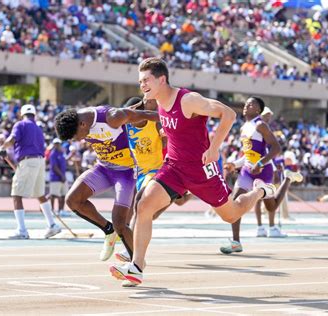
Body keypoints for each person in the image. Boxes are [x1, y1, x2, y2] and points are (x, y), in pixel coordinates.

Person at [109, 57, 276, 286]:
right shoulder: (158, 103)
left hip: (201, 170)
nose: (142, 85)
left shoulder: (188, 100)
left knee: (231, 214)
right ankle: (137, 266)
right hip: (175, 168)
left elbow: (228, 114)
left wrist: (214, 148)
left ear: (162, 79)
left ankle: (260, 192)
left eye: (146, 80)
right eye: (140, 81)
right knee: (144, 204)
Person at [54, 104, 159, 262]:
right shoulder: (80, 122)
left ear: (82, 124)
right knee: (72, 200)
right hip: (103, 169)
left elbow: (146, 114)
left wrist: (176, 118)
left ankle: (136, 264)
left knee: (120, 223)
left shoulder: (112, 117)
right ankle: (108, 230)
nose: (80, 140)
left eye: (77, 136)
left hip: (126, 173)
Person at [114, 97, 192, 276]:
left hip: (158, 170)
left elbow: (170, 137)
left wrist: (166, 138)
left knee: (139, 203)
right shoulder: (127, 126)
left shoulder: (153, 123)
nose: (134, 119)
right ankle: (184, 193)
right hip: (141, 173)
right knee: (150, 214)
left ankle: (132, 253)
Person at [219, 100, 303, 254]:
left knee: (271, 207)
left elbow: (276, 148)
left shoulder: (261, 125)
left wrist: (260, 163)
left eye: (251, 105)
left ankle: (288, 178)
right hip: (246, 171)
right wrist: (234, 165)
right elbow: (247, 155)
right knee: (234, 203)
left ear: (259, 110)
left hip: (263, 171)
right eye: (246, 104)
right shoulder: (244, 127)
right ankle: (236, 242)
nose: (246, 106)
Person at [0, 104, 62, 239]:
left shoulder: (20, 124)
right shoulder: (39, 129)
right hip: (40, 162)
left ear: (22, 114)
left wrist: (1, 147)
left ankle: (22, 230)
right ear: (34, 115)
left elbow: (12, 139)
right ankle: (52, 225)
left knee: (16, 195)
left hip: (28, 161)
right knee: (40, 194)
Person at [49, 138, 69, 217]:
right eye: (56, 144)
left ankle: (61, 210)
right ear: (54, 144)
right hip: (55, 178)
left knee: (63, 195)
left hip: (63, 177)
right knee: (53, 195)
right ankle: (52, 210)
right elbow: (54, 167)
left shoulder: (62, 153)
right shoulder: (53, 154)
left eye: (58, 143)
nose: (57, 145)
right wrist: (61, 176)